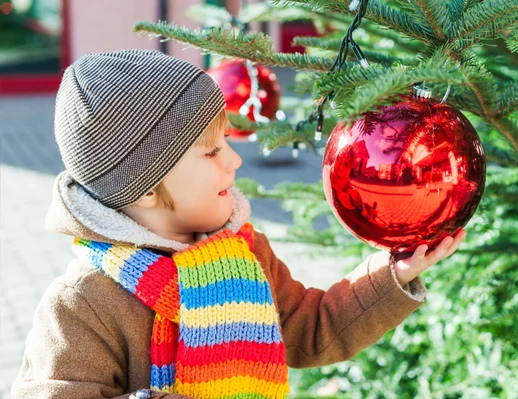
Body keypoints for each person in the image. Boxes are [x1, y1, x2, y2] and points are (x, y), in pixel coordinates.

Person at [12, 49, 467, 399]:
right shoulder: (83, 303)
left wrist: (393, 276)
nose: (233, 161)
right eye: (211, 152)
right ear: (146, 187)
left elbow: (311, 329)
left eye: (227, 142)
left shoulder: (245, 252)